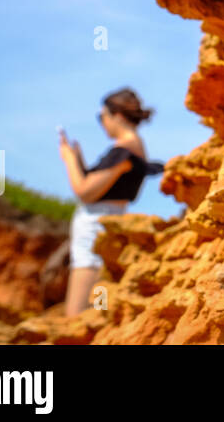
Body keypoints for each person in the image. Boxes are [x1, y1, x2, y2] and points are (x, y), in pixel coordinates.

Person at [57, 88, 153, 316]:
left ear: (117, 116)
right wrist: (79, 160)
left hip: (97, 230)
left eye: (102, 117)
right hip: (103, 225)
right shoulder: (128, 148)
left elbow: (85, 191)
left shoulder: (125, 148)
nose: (102, 123)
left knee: (78, 314)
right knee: (94, 311)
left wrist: (68, 159)